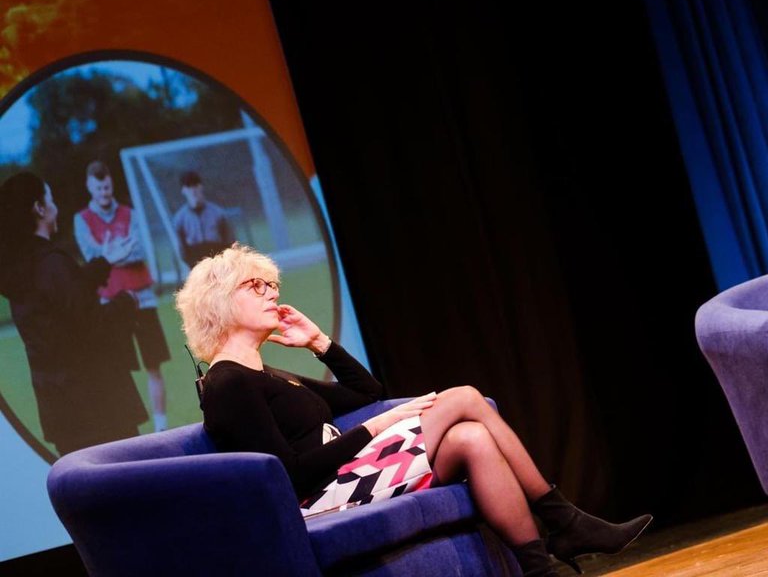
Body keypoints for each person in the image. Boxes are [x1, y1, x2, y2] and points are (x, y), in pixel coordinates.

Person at [174, 244, 651, 576]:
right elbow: (289, 474)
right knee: (463, 397)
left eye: (272, 284)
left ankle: (540, 567)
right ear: (218, 302)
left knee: (473, 439)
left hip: (345, 479)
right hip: (315, 501)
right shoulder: (226, 383)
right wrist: (378, 427)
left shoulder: (274, 374)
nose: (272, 293)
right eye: (255, 285)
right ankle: (564, 521)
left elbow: (368, 391)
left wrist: (319, 343)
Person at [0, 172, 149, 455]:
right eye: (50, 198)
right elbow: (90, 325)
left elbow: (58, 302)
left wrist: (103, 262)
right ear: (39, 209)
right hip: (98, 406)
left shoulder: (22, 268)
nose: (55, 206)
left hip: (62, 411)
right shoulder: (52, 263)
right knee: (129, 487)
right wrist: (126, 303)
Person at [73, 160, 170, 432]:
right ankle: (125, 428)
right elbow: (92, 257)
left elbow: (138, 251)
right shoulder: (81, 220)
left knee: (153, 364)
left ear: (111, 184)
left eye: (107, 186)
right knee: (117, 368)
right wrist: (117, 252)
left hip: (143, 299)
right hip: (110, 305)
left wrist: (110, 255)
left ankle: (160, 427)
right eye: (98, 187)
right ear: (89, 187)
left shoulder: (130, 213)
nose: (104, 191)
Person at [172, 170, 234, 268]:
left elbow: (229, 240)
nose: (193, 191)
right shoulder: (180, 219)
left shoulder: (218, 213)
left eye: (195, 185)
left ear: (201, 187)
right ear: (183, 190)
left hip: (217, 257)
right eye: (188, 187)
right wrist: (192, 264)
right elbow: (182, 248)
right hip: (195, 261)